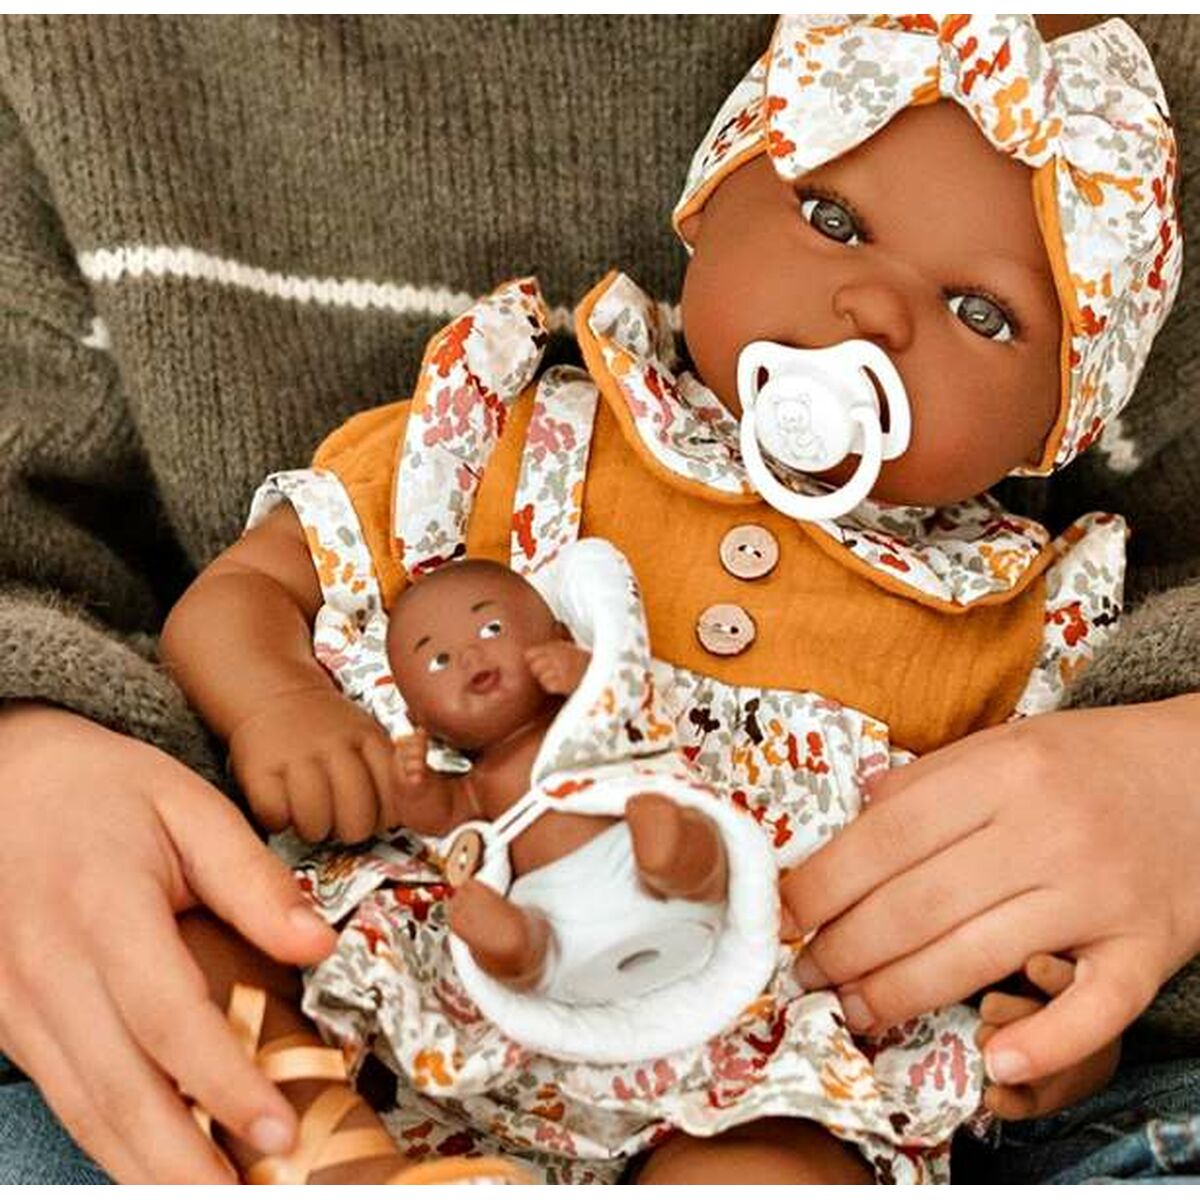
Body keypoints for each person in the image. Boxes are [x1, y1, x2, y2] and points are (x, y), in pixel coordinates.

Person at [0, 13, 1198, 1186]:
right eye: (832, 219)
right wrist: (278, 707)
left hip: (750, 1023)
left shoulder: (1010, 619)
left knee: (792, 1157)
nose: (878, 310)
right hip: (425, 903)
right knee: (209, 953)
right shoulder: (508, 435)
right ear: (706, 205)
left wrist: (1053, 1028)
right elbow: (257, 584)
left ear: (1059, 417)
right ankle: (326, 1156)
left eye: (981, 313)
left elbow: (1048, 907)